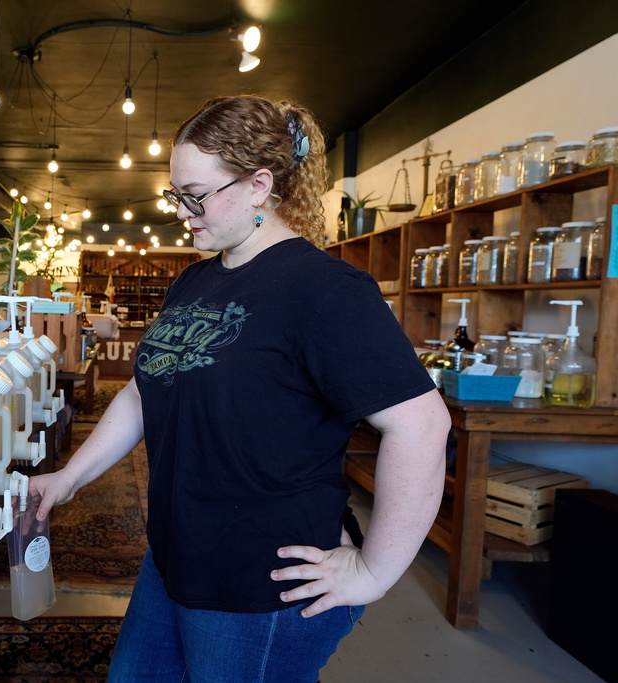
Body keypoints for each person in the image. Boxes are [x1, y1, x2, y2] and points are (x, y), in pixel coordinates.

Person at [31, 95, 450, 682]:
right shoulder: (194, 281)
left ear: (259, 185)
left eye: (195, 195)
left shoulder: (326, 291)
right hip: (175, 559)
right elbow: (143, 392)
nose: (182, 211)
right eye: (176, 194)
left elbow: (422, 424)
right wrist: (69, 477)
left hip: (261, 581)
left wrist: (375, 570)